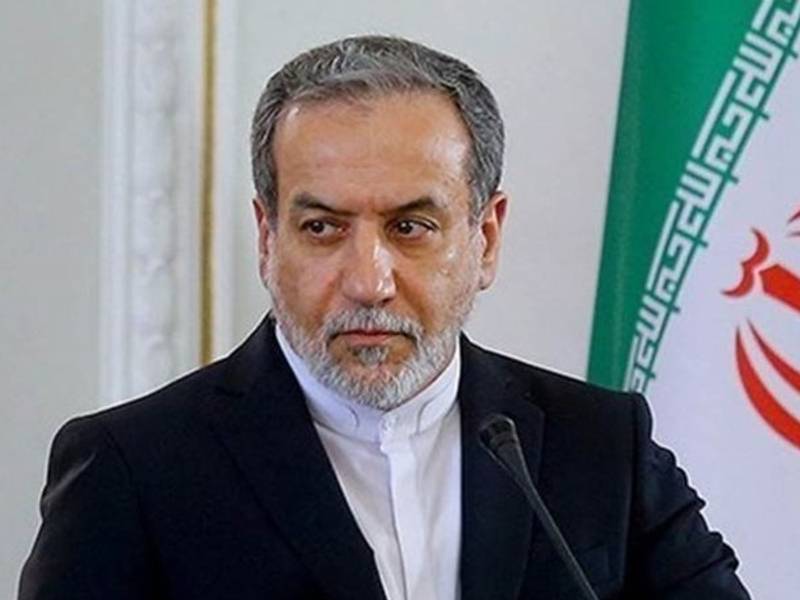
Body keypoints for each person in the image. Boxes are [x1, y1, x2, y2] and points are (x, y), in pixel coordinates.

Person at [19, 35, 750, 600]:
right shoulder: (134, 468)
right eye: (322, 228)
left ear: (486, 238)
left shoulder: (601, 446)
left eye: (410, 228)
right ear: (268, 239)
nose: (368, 283)